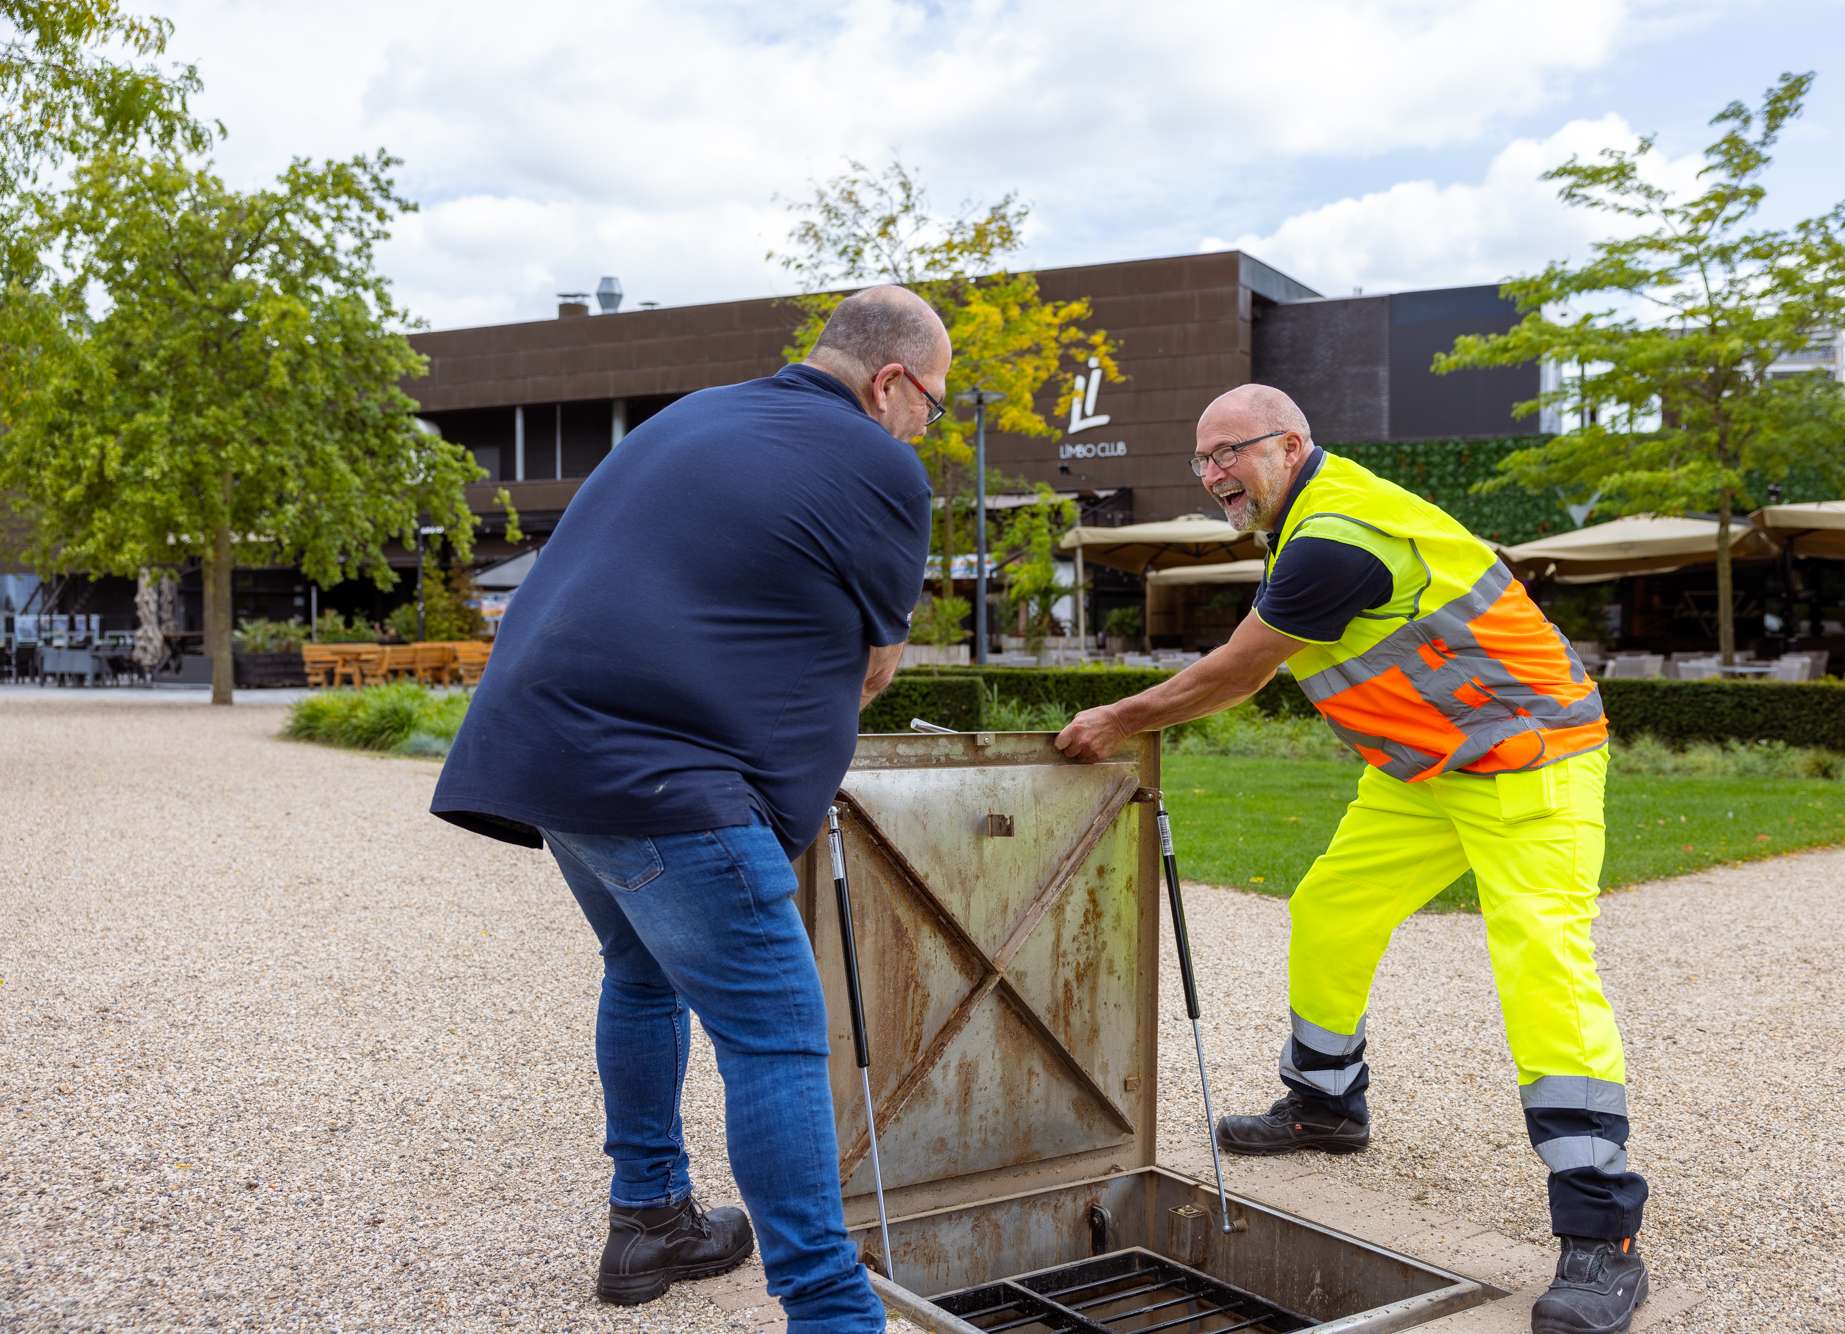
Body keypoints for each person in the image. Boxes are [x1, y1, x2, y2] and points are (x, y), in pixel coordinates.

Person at [1055, 385, 1649, 1334]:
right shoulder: (1307, 517)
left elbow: (1237, 673)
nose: (1214, 476)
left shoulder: (1335, 538)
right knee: (1329, 906)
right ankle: (1325, 1105)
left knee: (1542, 959)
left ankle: (1603, 1229)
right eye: (1201, 461)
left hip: (1533, 758)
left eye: (1231, 454)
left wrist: (1119, 719)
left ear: (1291, 444)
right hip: (1426, 772)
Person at [430, 285, 947, 1332]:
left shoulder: (697, 410)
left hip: (545, 753)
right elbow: (872, 666)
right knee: (776, 1034)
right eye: (932, 401)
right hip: (664, 777)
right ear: (889, 379)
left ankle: (651, 1216)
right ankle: (831, 1309)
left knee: (642, 971)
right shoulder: (877, 461)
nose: (927, 425)